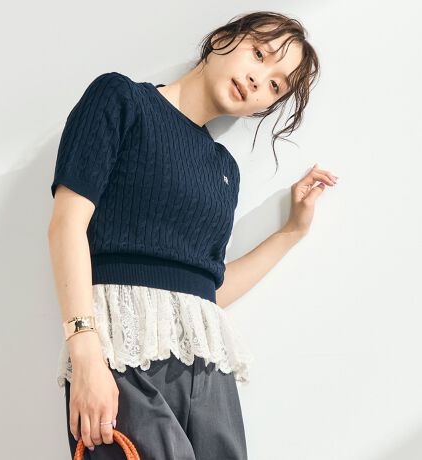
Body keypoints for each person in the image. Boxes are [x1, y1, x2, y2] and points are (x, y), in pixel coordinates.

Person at [48, 11, 338, 460]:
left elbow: (207, 293)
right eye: (259, 54)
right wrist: (86, 353)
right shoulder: (121, 99)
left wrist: (292, 232)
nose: (257, 80)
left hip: (209, 369)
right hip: (122, 355)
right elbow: (67, 225)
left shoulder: (224, 170)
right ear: (221, 39)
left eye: (275, 86)